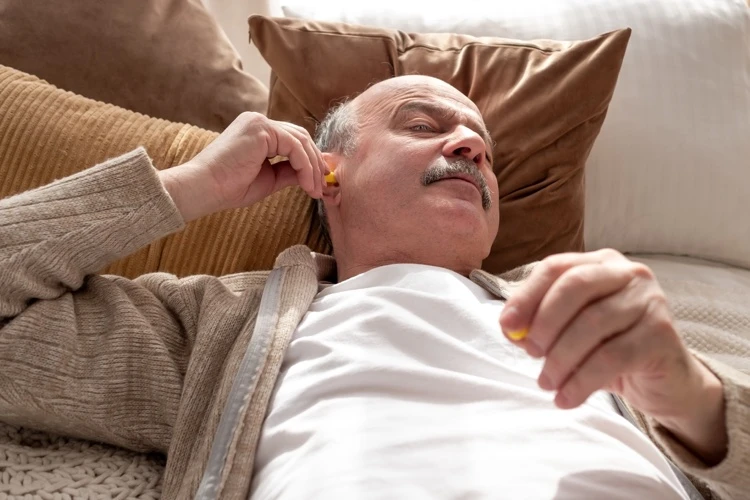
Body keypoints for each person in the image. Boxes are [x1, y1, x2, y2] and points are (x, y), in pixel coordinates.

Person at [0, 75, 747, 500]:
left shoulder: (585, 309)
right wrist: (191, 185)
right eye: (422, 124)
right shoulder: (219, 323)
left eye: (480, 148)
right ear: (328, 173)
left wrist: (690, 392)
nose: (470, 146)